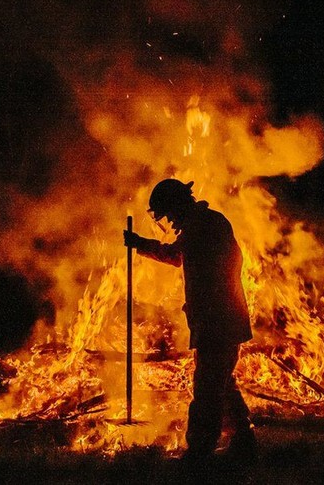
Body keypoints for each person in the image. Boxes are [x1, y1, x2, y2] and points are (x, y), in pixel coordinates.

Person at [124, 179, 257, 466]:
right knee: (222, 383)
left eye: (168, 213)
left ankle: (199, 451)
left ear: (178, 204)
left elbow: (175, 255)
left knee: (207, 391)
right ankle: (244, 441)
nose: (170, 221)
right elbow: (180, 256)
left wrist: (140, 245)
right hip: (221, 319)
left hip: (218, 321)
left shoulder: (202, 226)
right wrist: (141, 245)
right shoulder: (206, 223)